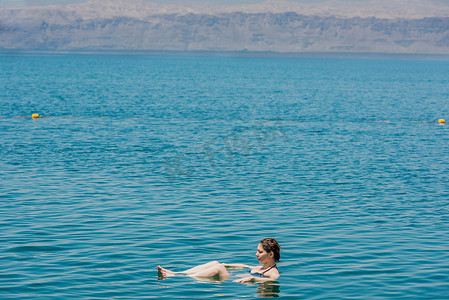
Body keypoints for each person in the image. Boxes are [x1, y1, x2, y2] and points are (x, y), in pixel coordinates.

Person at [157, 238, 280, 283]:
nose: (256, 254)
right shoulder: (262, 266)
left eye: (260, 252)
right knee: (216, 263)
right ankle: (178, 273)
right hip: (234, 276)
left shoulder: (273, 272)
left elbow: (272, 280)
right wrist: (228, 265)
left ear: (270, 254)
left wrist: (253, 279)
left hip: (234, 281)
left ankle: (177, 278)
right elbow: (245, 266)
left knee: (219, 268)